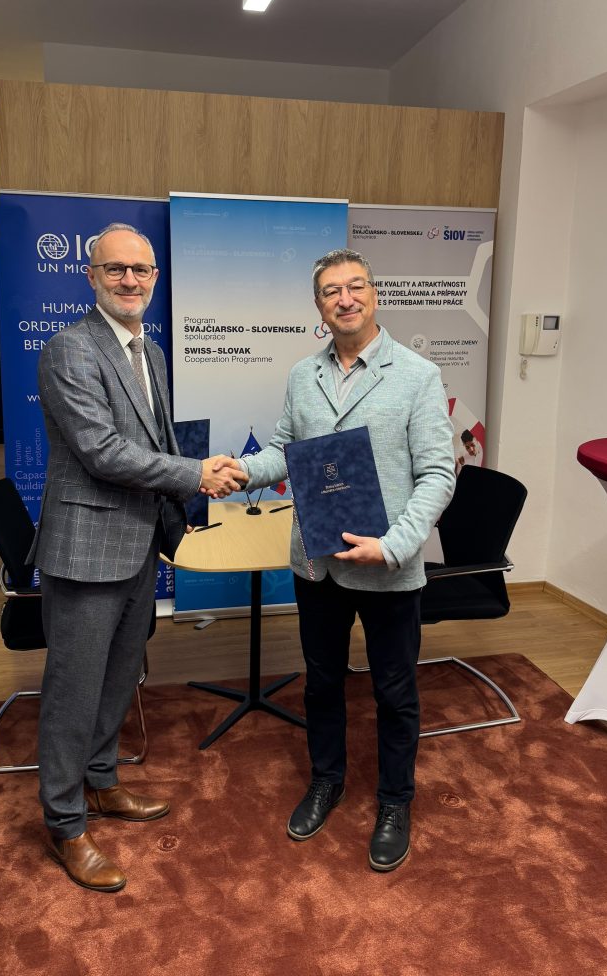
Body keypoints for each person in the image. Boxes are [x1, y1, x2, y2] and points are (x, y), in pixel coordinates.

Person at [214, 248, 455, 871]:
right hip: (318, 560)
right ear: (318, 306)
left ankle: (395, 802)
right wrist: (243, 471)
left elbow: (437, 474)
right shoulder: (303, 375)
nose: (345, 299)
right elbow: (284, 450)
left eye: (355, 286)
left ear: (374, 293)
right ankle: (327, 780)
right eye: (330, 291)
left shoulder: (417, 376)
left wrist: (394, 544)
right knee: (321, 682)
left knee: (394, 691)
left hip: (386, 565)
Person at [29, 222, 246, 893]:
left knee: (121, 677)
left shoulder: (148, 351)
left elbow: (153, 441)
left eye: (141, 270)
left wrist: (192, 486)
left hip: (138, 544)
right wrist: (196, 474)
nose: (130, 280)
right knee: (73, 692)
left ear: (155, 277)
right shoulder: (71, 349)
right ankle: (65, 824)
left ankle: (101, 783)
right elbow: (102, 452)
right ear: (90, 276)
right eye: (116, 269)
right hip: (86, 550)